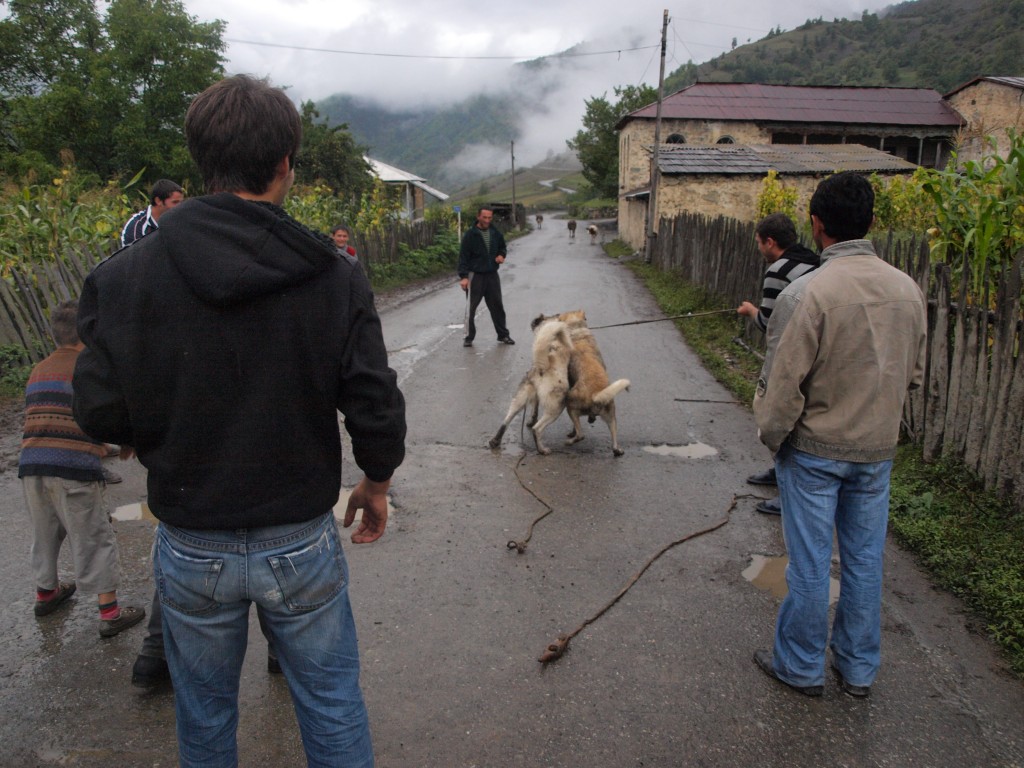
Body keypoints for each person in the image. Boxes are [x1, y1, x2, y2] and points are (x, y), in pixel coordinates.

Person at [73, 75, 407, 766]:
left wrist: (148, 438)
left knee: (204, 717)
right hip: (301, 540)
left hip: (193, 539)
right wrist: (376, 482)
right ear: (285, 163)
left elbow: (100, 408)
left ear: (201, 162)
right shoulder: (333, 272)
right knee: (332, 702)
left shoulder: (125, 276)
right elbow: (372, 396)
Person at [751, 171, 927, 699]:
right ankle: (857, 670)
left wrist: (773, 438)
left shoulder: (808, 294)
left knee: (807, 566)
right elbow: (913, 377)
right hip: (875, 452)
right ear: (871, 223)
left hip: (813, 454)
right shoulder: (907, 290)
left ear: (817, 224)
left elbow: (783, 388)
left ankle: (801, 667)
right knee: (865, 560)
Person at [19, 300, 145, 637]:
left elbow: (52, 419)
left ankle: (46, 593)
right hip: (72, 470)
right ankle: (110, 613)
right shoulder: (89, 367)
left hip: (32, 465)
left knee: (45, 533)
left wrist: (98, 446)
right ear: (89, 330)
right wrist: (125, 440)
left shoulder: (38, 369)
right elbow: (103, 413)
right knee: (93, 536)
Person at [737, 212, 820, 516]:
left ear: (770, 242)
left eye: (759, 243)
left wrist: (749, 311)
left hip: (790, 356)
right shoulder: (814, 261)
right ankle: (779, 474)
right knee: (802, 417)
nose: (759, 249)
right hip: (817, 353)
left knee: (782, 418)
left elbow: (770, 323)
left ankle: (788, 491)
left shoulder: (778, 270)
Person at [458, 206, 514, 347]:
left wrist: (501, 255)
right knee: (470, 309)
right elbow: (463, 257)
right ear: (478, 216)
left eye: (490, 218)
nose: (487, 220)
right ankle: (468, 337)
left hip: (492, 275)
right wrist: (464, 276)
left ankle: (503, 335)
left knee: (497, 307)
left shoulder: (495, 233)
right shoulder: (470, 235)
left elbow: (502, 247)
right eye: (485, 217)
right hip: (475, 275)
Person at [120, 179, 184, 247]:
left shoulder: (181, 221)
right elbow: (137, 256)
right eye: (175, 202)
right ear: (158, 201)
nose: (180, 206)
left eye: (181, 202)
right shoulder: (136, 227)